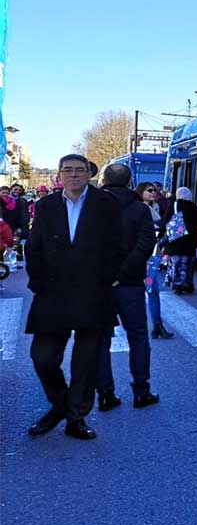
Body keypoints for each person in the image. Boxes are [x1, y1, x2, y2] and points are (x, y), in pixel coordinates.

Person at [25, 154, 122, 440]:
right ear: (59, 175)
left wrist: (110, 277)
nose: (74, 175)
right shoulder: (45, 206)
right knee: (42, 358)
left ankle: (76, 418)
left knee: (86, 363)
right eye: (68, 170)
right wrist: (38, 282)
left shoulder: (106, 204)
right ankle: (61, 406)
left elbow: (119, 244)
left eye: (80, 170)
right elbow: (34, 246)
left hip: (93, 292)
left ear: (89, 174)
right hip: (53, 293)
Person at [94, 165, 161, 411]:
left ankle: (105, 393)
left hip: (100, 284)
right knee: (139, 338)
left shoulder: (92, 206)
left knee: (101, 340)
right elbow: (146, 243)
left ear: (104, 180)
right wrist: (123, 274)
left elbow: (88, 245)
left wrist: (107, 275)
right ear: (130, 181)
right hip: (130, 283)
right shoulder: (139, 209)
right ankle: (141, 391)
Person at [135, 182, 174, 339]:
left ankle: (157, 325)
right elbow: (155, 228)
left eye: (155, 191)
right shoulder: (140, 209)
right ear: (140, 192)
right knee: (145, 292)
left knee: (153, 291)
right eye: (149, 190)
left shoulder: (155, 207)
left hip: (152, 256)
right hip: (142, 257)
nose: (153, 193)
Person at [164, 187, 197, 294]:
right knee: (187, 263)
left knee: (176, 263)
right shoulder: (195, 208)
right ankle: (187, 284)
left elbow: (167, 220)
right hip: (190, 242)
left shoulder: (174, 206)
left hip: (176, 240)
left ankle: (177, 285)